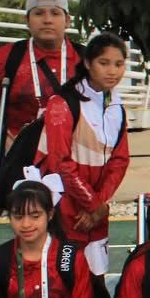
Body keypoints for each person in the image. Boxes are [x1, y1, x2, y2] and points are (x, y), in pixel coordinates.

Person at [0, 0, 82, 192]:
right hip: (21, 156)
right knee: (28, 211)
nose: (47, 20)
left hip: (75, 155)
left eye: (55, 13)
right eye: (38, 13)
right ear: (27, 21)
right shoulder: (7, 57)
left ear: (67, 21)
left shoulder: (85, 59)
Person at [37, 32, 131, 276]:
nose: (112, 71)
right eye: (104, 63)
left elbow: (120, 160)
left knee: (96, 275)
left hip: (95, 208)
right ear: (88, 63)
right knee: (65, 275)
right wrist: (94, 204)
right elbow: (60, 162)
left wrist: (100, 203)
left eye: (119, 64)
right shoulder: (62, 102)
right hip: (63, 203)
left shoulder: (117, 105)